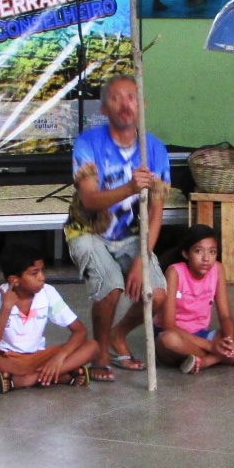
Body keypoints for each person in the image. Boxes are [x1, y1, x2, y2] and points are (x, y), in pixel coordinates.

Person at [64, 75, 170, 380]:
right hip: (88, 231)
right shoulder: (88, 143)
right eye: (116, 98)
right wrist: (130, 188)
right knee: (111, 287)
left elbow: (156, 212)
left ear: (142, 104)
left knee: (157, 294)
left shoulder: (154, 149)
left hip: (131, 236)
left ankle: (117, 334)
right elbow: (90, 199)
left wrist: (141, 259)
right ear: (103, 108)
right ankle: (99, 351)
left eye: (132, 97)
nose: (125, 105)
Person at [0, 248, 101, 391]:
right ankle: (60, 376)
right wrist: (6, 307)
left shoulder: (48, 292)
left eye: (42, 271)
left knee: (93, 347)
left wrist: (59, 357)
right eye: (34, 273)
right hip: (9, 359)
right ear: (14, 280)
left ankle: (25, 379)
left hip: (40, 357)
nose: (42, 277)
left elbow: (80, 331)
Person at [157, 223, 234, 373]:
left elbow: (225, 317)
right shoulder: (175, 272)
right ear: (186, 254)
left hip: (202, 334)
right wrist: (211, 346)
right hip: (177, 336)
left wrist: (229, 341)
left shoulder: (217, 269)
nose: (206, 258)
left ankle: (208, 360)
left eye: (212, 252)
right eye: (198, 251)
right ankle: (227, 356)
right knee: (169, 340)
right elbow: (169, 325)